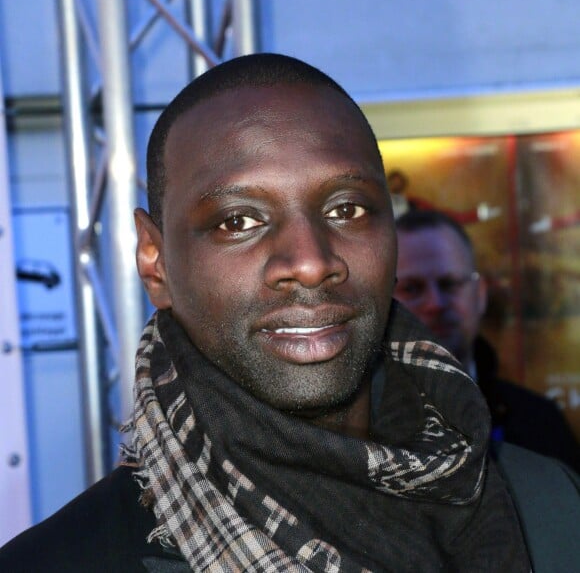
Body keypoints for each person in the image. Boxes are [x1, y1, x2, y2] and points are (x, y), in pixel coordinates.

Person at [0, 53, 545, 572]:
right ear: (156, 260)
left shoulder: (552, 510)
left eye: (346, 209)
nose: (309, 263)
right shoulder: (58, 563)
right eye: (238, 220)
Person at [394, 209, 580, 473]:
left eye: (449, 284)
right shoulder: (355, 427)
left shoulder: (540, 421)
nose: (435, 303)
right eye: (412, 288)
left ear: (480, 295)